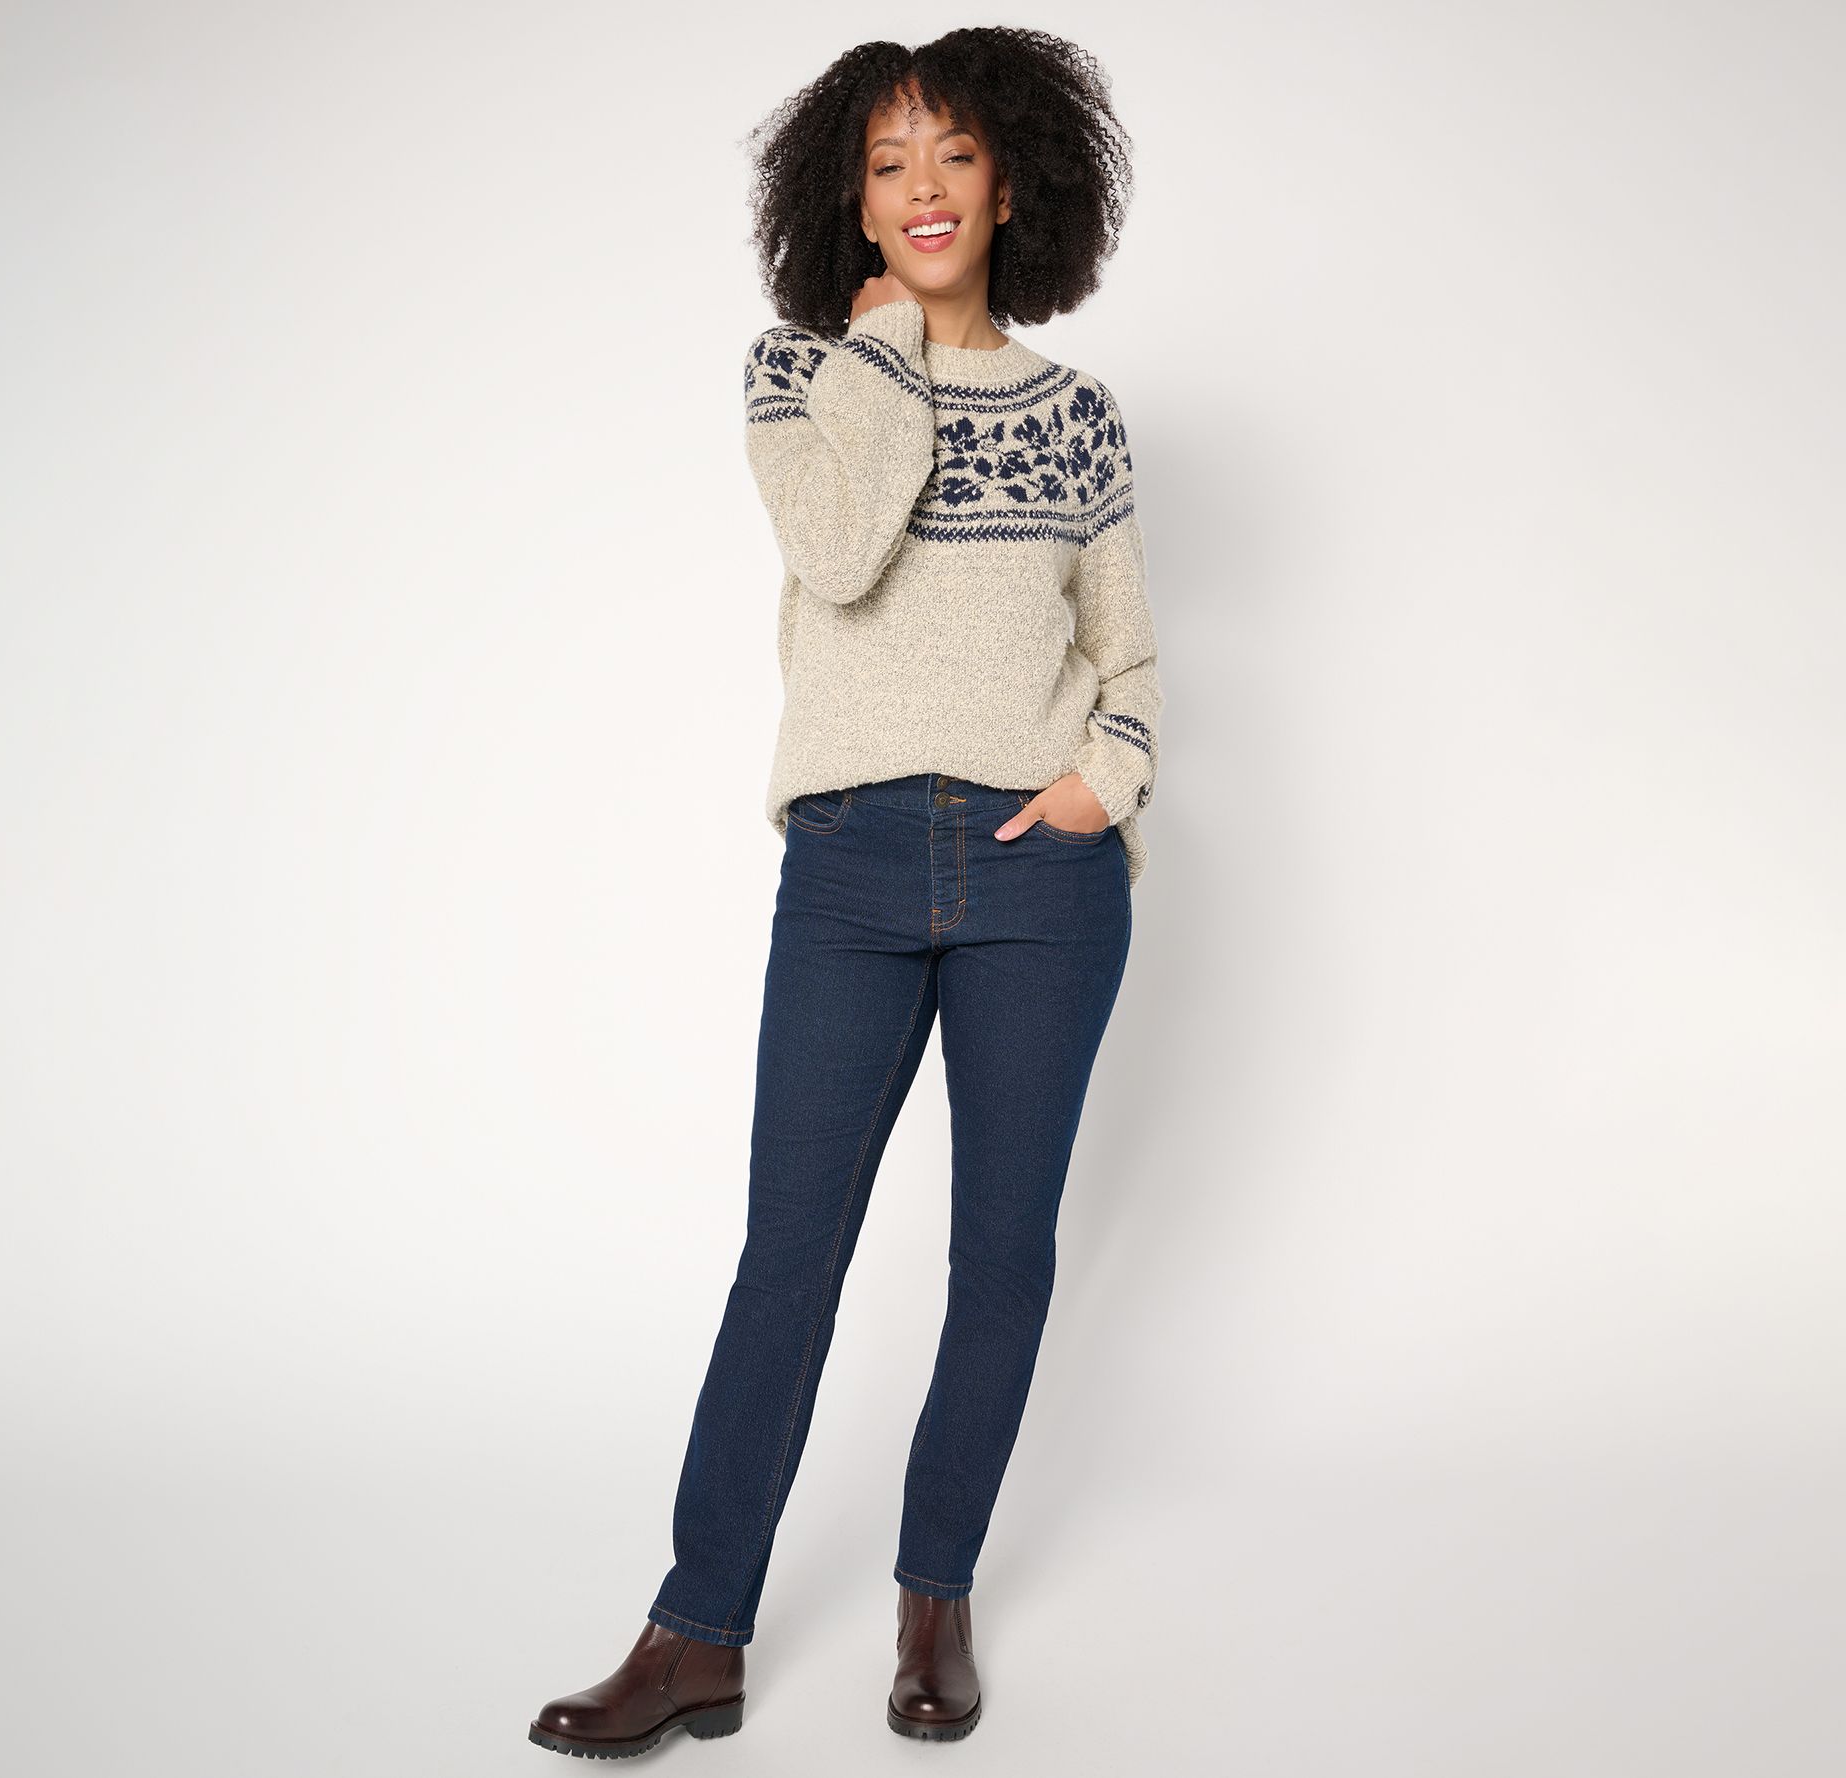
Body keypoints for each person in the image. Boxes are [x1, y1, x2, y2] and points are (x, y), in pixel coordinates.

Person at [530, 27, 1159, 1756]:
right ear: (852, 204)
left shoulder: (1079, 416)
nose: (925, 188)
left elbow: (1127, 657)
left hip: (1042, 876)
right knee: (789, 1255)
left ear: (1014, 183)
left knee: (1002, 1254)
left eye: (954, 155)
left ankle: (934, 1595)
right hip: (853, 867)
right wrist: (885, 348)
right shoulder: (803, 374)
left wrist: (1102, 784)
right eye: (889, 165)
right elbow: (836, 550)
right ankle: (695, 1632)